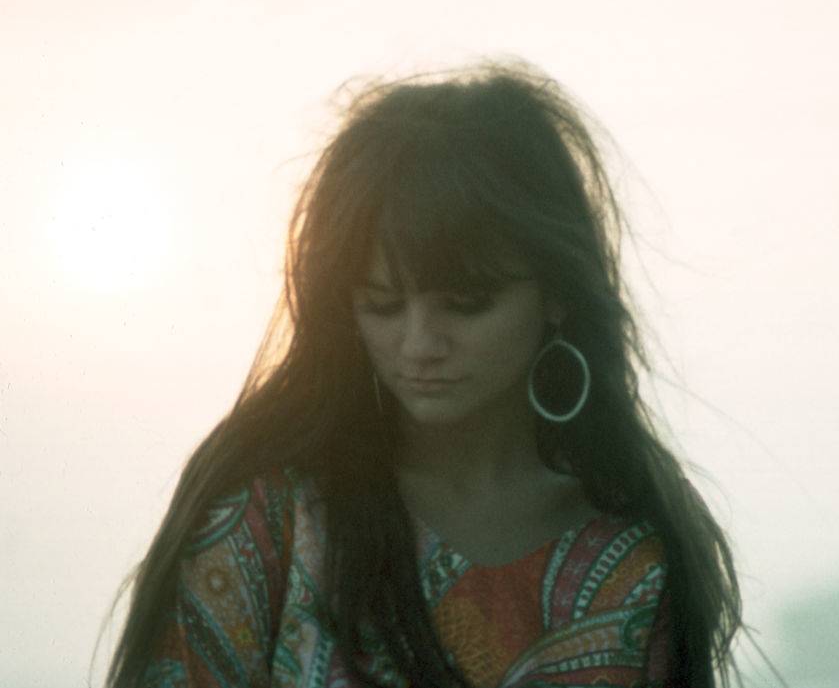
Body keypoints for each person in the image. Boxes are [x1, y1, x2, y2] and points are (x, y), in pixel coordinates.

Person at [105, 61, 742, 687]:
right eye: (381, 304)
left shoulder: (636, 558)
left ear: (556, 293)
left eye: (466, 303)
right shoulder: (267, 520)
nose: (418, 344)